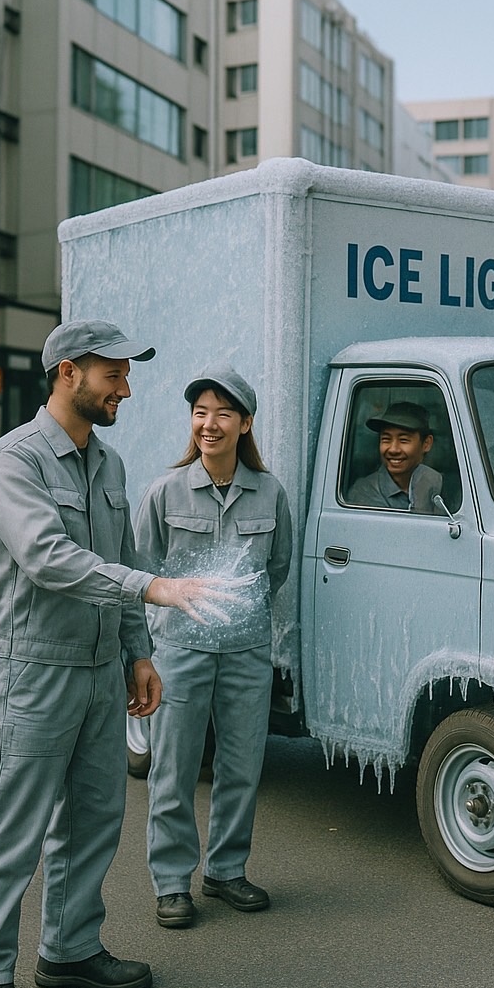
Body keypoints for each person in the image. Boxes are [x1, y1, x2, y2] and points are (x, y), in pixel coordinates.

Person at [0, 320, 237, 988]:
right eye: (113, 374)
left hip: (97, 672)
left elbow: (119, 556)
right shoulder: (12, 462)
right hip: (33, 670)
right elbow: (50, 558)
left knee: (93, 821)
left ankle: (69, 949)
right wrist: (152, 591)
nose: (126, 387)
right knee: (11, 831)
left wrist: (137, 653)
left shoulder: (107, 464)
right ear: (67, 374)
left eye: (126, 374)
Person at [134, 366, 292, 931]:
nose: (210, 423)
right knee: (172, 768)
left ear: (244, 423)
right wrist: (145, 651)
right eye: (201, 413)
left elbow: (277, 569)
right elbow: (143, 573)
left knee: (241, 767)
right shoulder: (165, 491)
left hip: (247, 652)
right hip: (180, 651)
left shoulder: (271, 493)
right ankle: (173, 883)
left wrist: (238, 616)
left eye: (223, 413)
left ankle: (226, 870)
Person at [347, 401, 443, 514]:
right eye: (386, 439)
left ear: (426, 444)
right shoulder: (364, 492)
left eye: (404, 440)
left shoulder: (438, 482)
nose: (393, 449)